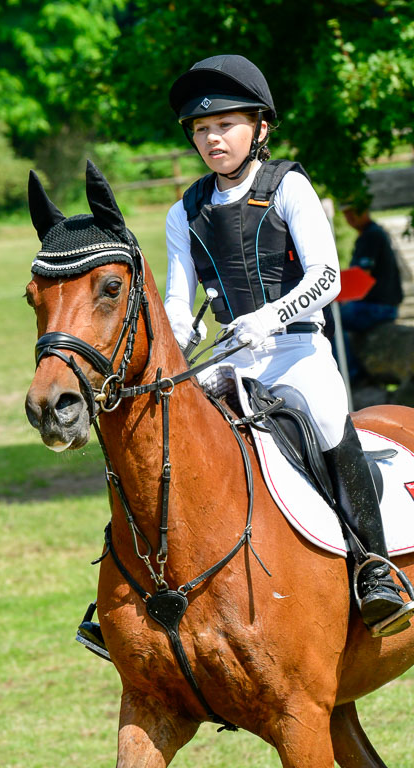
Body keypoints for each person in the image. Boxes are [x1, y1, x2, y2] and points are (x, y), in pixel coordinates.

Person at [163, 53, 413, 636]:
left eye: (224, 124)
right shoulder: (186, 210)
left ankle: (374, 568)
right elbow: (178, 296)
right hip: (227, 361)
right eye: (201, 129)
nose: (211, 138)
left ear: (260, 127)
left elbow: (326, 277)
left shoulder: (289, 187)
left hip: (297, 353)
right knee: (164, 437)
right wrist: (182, 329)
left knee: (326, 419)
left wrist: (270, 317)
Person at [337, 201, 404, 381]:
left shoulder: (371, 236)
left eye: (354, 212)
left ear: (365, 210)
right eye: (346, 214)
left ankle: (350, 375)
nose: (350, 218)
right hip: (379, 305)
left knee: (332, 319)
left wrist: (332, 293)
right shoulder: (370, 234)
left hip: (378, 307)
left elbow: (360, 277)